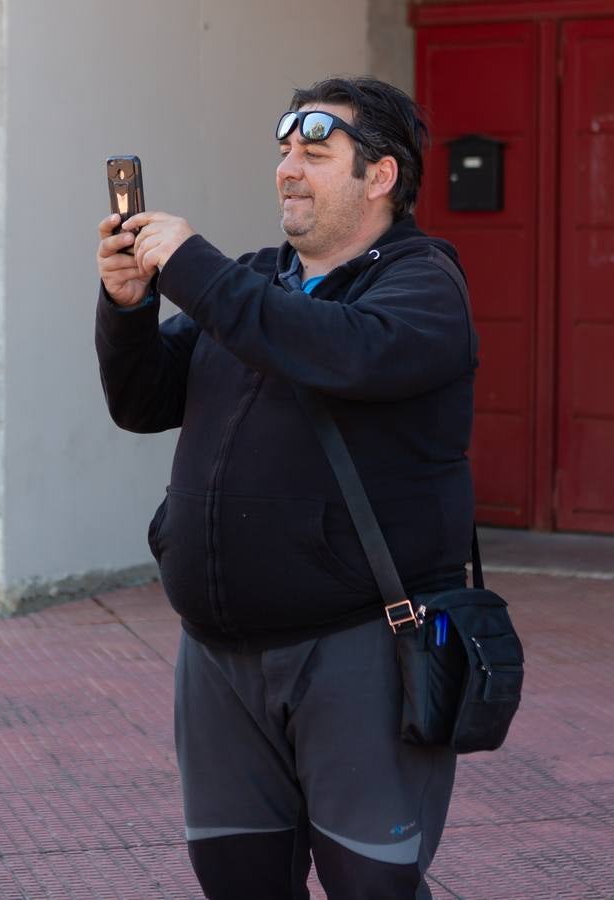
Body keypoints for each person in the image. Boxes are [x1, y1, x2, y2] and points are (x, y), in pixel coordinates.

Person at [92, 76, 477, 899]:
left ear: (379, 176)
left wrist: (190, 267)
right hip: (219, 657)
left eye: (315, 150)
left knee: (372, 886)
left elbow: (339, 351)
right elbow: (142, 401)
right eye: (282, 151)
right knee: (237, 882)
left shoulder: (422, 284)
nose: (288, 169)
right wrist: (125, 310)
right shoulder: (253, 280)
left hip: (358, 650)